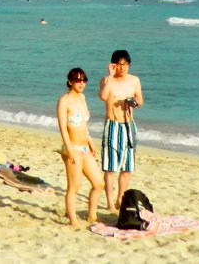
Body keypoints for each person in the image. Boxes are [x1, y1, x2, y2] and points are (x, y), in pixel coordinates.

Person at [97, 49, 144, 211]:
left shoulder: (134, 80)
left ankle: (120, 199)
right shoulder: (106, 80)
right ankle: (110, 203)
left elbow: (141, 101)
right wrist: (110, 76)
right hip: (113, 125)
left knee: (127, 167)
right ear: (113, 65)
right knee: (110, 168)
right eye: (118, 65)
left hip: (129, 125)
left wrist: (134, 103)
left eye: (125, 65)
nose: (122, 68)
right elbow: (103, 96)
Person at [58, 67, 104, 227]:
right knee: (74, 186)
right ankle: (73, 219)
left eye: (84, 79)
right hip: (72, 148)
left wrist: (90, 141)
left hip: (85, 147)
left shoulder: (83, 98)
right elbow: (63, 127)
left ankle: (92, 215)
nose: (81, 83)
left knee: (99, 184)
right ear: (70, 82)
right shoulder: (64, 100)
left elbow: (84, 124)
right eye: (77, 80)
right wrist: (69, 149)